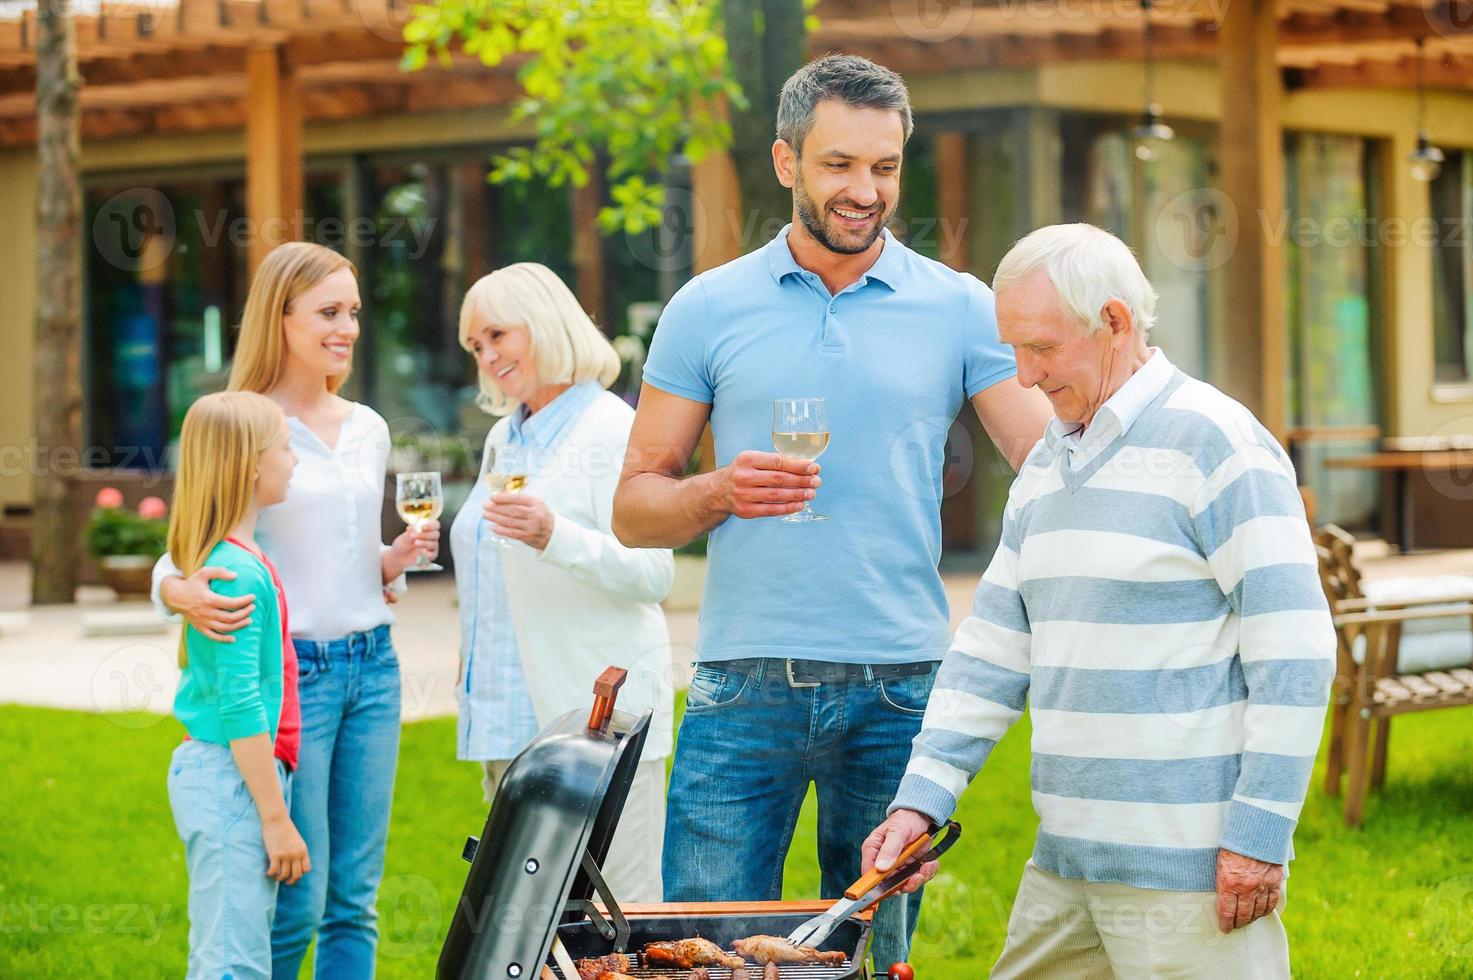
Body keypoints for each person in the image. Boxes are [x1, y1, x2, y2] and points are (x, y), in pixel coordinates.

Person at [611, 54, 1053, 966]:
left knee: (863, 951)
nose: (864, 190)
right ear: (785, 163)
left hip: (901, 685)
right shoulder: (707, 307)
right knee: (702, 952)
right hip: (742, 685)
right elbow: (633, 507)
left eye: (884, 168)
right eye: (838, 165)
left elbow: (1047, 461)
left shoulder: (960, 308)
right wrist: (717, 491)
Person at [865, 223, 1335, 978]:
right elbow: (991, 651)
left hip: (1192, 869)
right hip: (1064, 862)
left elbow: (1295, 650)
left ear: (1113, 323)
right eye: (1011, 348)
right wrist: (920, 802)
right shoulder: (1047, 461)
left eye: (1041, 348)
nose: (1021, 376)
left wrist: (1257, 833)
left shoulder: (1216, 442)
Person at [151, 242, 439, 978]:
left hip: (371, 668)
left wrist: (393, 562)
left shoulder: (370, 427)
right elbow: (187, 551)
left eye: (353, 313)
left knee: (355, 897)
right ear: (279, 318)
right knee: (296, 890)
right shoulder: (244, 425)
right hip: (294, 677)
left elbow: (347, 562)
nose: (346, 327)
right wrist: (176, 590)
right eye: (328, 312)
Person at [452, 263, 675, 901]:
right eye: (476, 345)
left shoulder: (609, 429)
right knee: (523, 927)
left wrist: (556, 537)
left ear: (545, 324)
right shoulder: (505, 436)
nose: (488, 356)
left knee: (614, 920)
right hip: (509, 727)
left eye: (498, 335)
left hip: (594, 722)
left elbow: (655, 572)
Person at [165, 391, 304, 979]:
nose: (295, 460)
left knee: (237, 955)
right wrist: (274, 818)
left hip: (239, 777)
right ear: (251, 463)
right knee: (232, 965)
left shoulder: (240, 556)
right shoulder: (236, 570)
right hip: (234, 780)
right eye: (287, 447)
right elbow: (241, 702)